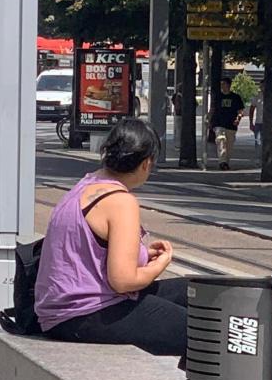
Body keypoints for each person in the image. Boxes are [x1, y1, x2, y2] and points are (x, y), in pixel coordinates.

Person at [36, 118, 184, 358]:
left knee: (196, 293)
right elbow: (123, 281)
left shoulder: (87, 185)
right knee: (204, 330)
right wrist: (159, 265)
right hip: (85, 314)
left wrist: (143, 256)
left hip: (63, 310)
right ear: (146, 164)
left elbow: (92, 256)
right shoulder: (121, 201)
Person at [210, 78, 246, 170]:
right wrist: (209, 118)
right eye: (221, 84)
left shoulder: (236, 97)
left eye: (224, 84)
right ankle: (222, 162)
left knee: (229, 145)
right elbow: (213, 109)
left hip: (231, 125)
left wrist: (238, 119)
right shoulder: (218, 96)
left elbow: (240, 111)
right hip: (219, 123)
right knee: (221, 140)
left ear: (229, 85)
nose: (222, 86)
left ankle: (226, 161)